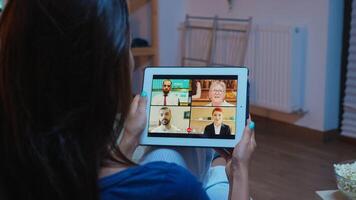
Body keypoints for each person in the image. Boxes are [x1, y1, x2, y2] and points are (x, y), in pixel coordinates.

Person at [0, 0, 256, 200]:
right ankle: (218, 165)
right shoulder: (168, 185)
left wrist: (127, 140)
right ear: (108, 76)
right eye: (128, 45)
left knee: (173, 149)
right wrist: (239, 170)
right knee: (186, 160)